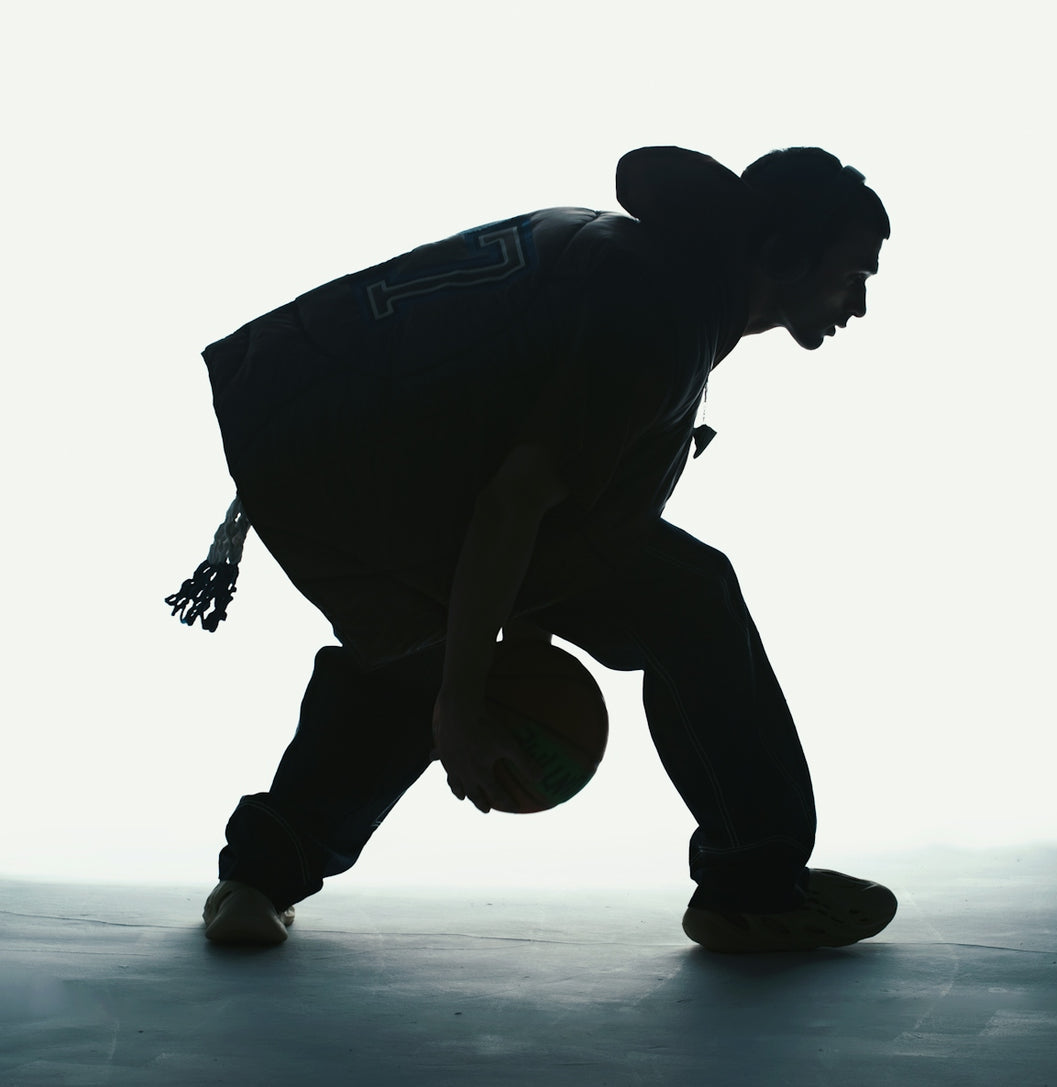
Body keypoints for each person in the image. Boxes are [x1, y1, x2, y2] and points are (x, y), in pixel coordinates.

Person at [168, 143, 897, 953]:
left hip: (330, 441)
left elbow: (535, 485)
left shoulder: (648, 270)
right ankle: (756, 888)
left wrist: (500, 646)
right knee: (687, 596)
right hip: (358, 460)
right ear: (783, 251)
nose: (858, 303)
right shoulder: (662, 313)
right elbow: (513, 506)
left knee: (437, 634)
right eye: (852, 273)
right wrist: (462, 703)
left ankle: (260, 877)